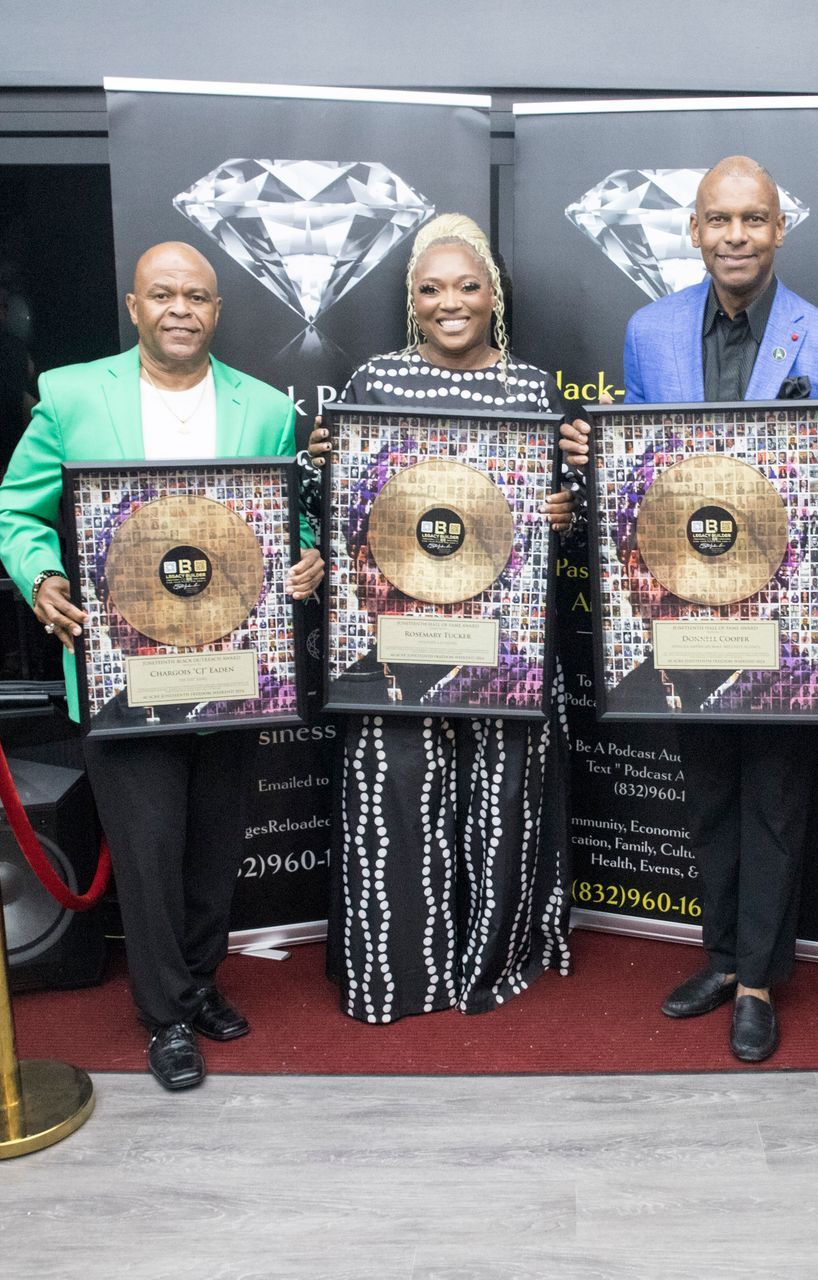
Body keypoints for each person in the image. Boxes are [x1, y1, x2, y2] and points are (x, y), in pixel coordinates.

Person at [568, 156, 818, 1062]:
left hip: (787, 628)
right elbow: (644, 479)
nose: (735, 236)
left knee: (774, 804)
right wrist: (602, 455)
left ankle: (757, 982)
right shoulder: (651, 332)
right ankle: (721, 955)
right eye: (719, 219)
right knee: (707, 797)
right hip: (684, 615)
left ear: (779, 228)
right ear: (695, 230)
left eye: (753, 219)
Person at [0, 241, 320, 1090]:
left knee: (214, 846)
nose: (181, 309)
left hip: (234, 666)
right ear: (134, 307)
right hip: (125, 673)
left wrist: (307, 558)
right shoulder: (71, 395)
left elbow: (289, 522)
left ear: (217, 311)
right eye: (163, 295)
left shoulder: (264, 409)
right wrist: (43, 576)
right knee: (147, 850)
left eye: (197, 297)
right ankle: (165, 1015)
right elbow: (15, 513)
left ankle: (197, 983)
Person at [303, 213, 580, 1024]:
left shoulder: (533, 389)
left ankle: (492, 960)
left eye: (467, 286)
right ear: (411, 301)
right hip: (396, 633)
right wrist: (321, 469)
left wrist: (565, 511)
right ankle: (399, 972)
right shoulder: (373, 383)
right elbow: (330, 511)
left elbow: (571, 508)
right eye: (431, 289)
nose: (449, 302)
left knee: (502, 794)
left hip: (504, 635)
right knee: (396, 792)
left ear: (494, 295)